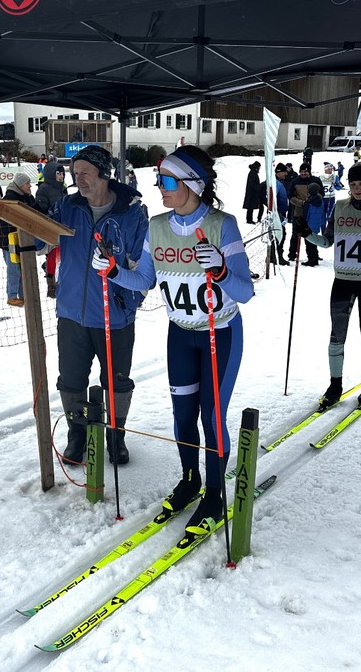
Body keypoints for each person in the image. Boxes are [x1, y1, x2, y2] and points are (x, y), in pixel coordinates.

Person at [92, 145, 253, 530]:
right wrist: (113, 270)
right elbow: (145, 280)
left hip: (220, 334)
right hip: (180, 334)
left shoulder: (222, 225)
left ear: (192, 184)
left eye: (166, 181)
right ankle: (190, 480)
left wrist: (222, 271)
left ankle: (214, 494)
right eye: (158, 180)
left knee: (211, 417)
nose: (159, 188)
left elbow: (245, 291)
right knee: (183, 415)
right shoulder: (158, 225)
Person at [45, 145, 148, 465]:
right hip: (72, 313)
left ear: (104, 174)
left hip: (114, 316)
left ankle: (116, 435)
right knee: (70, 379)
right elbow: (41, 238)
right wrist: (16, 229)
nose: (79, 180)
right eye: (75, 173)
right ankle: (77, 435)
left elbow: (143, 266)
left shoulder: (132, 213)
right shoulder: (67, 206)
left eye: (85, 173)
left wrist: (128, 300)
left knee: (117, 380)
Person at [296, 162, 361, 408]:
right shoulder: (340, 207)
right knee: (336, 337)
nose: (357, 188)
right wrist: (307, 233)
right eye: (353, 184)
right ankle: (335, 385)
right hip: (343, 281)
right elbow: (327, 241)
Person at [0, 173, 36, 306]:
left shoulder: (28, 197)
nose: (30, 186)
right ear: (20, 185)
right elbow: (2, 222)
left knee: (23, 268)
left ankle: (23, 296)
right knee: (14, 269)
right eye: (27, 183)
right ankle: (12, 296)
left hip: (25, 241)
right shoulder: (9, 199)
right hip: (10, 242)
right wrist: (15, 233)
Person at [35, 162, 68, 298]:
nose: (61, 176)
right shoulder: (43, 189)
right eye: (58, 174)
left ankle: (63, 284)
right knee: (52, 258)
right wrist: (50, 216)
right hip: (50, 228)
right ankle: (52, 286)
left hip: (63, 228)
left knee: (63, 257)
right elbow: (40, 210)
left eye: (62, 174)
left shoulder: (62, 188)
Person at [287, 163, 324, 265]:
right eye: (302, 171)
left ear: (309, 172)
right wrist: (301, 203)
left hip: (312, 213)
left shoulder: (316, 180)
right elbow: (290, 196)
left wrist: (314, 200)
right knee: (295, 234)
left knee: (311, 235)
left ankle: (313, 256)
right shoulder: (295, 181)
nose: (303, 173)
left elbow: (322, 193)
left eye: (305, 171)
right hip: (299, 212)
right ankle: (292, 254)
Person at [320, 162, 336, 231]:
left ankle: (329, 231)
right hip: (323, 198)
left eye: (331, 169)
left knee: (330, 216)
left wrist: (335, 184)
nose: (330, 170)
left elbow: (339, 187)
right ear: (325, 169)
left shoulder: (334, 177)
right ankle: (323, 231)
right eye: (329, 169)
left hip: (331, 198)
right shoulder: (320, 177)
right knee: (322, 216)